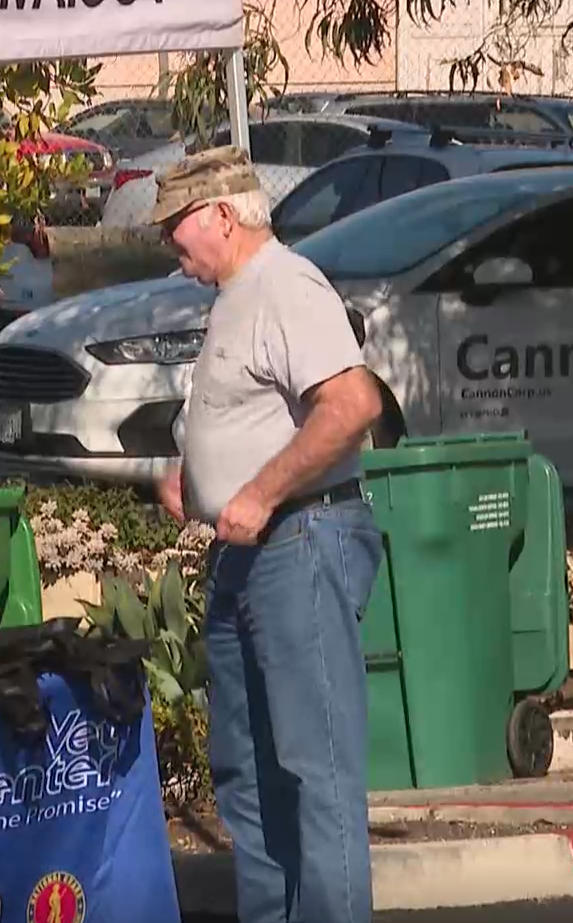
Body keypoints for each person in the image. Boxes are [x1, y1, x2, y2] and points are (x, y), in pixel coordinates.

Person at [149, 147, 385, 923]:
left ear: (222, 214)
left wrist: (256, 490)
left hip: (299, 541)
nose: (166, 245)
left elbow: (352, 406)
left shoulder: (284, 284)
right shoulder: (236, 295)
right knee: (247, 776)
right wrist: (197, 476)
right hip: (248, 553)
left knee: (315, 773)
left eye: (174, 226)